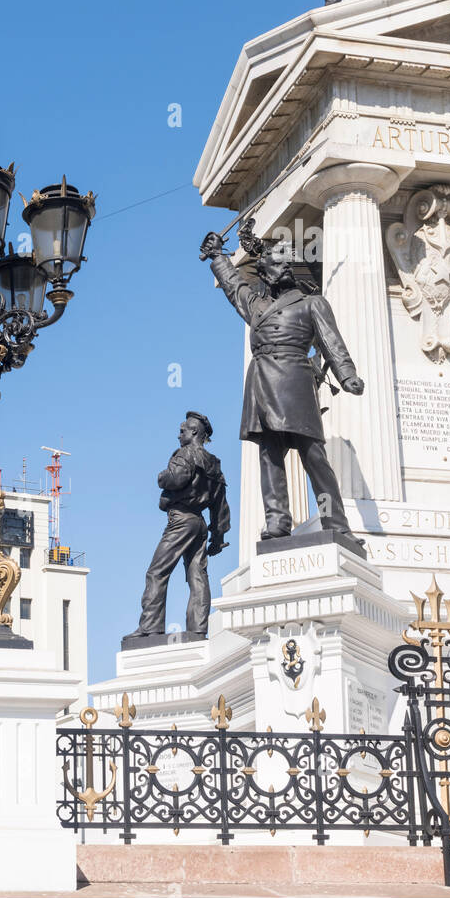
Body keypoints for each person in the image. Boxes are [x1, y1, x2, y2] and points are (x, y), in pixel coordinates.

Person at [199, 230, 363, 542]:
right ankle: (277, 522)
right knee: (269, 456)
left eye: (288, 263)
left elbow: (332, 343)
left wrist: (346, 374)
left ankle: (336, 524)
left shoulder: (312, 303)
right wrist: (218, 256)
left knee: (314, 457)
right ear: (265, 272)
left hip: (296, 383)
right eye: (278, 263)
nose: (285, 268)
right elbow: (234, 287)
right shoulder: (256, 306)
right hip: (262, 384)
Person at [124, 411, 230, 643]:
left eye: (182, 430)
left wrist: (162, 476)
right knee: (197, 575)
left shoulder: (185, 454)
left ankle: (150, 628)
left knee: (157, 572)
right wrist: (217, 536)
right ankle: (198, 630)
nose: (179, 434)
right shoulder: (214, 465)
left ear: (194, 432)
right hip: (200, 524)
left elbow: (176, 478)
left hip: (181, 520)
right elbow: (220, 505)